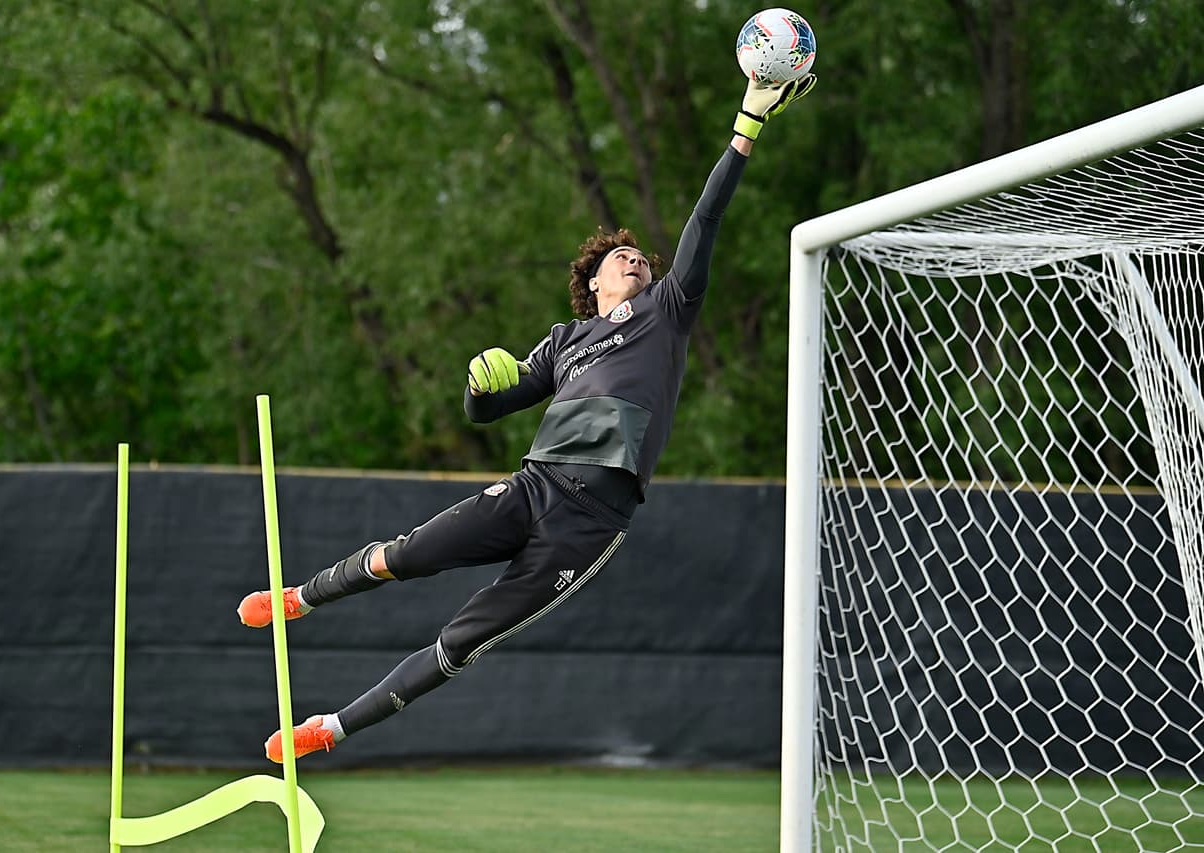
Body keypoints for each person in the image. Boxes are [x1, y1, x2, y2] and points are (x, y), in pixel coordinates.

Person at [237, 72, 818, 762]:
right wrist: (477, 386)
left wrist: (747, 125)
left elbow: (707, 219)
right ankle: (300, 598)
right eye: (620, 257)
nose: (634, 259)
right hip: (531, 488)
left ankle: (329, 728)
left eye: (641, 257)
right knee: (403, 556)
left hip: (588, 525)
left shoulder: (667, 310)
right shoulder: (565, 341)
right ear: (594, 283)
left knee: (461, 643)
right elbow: (485, 410)